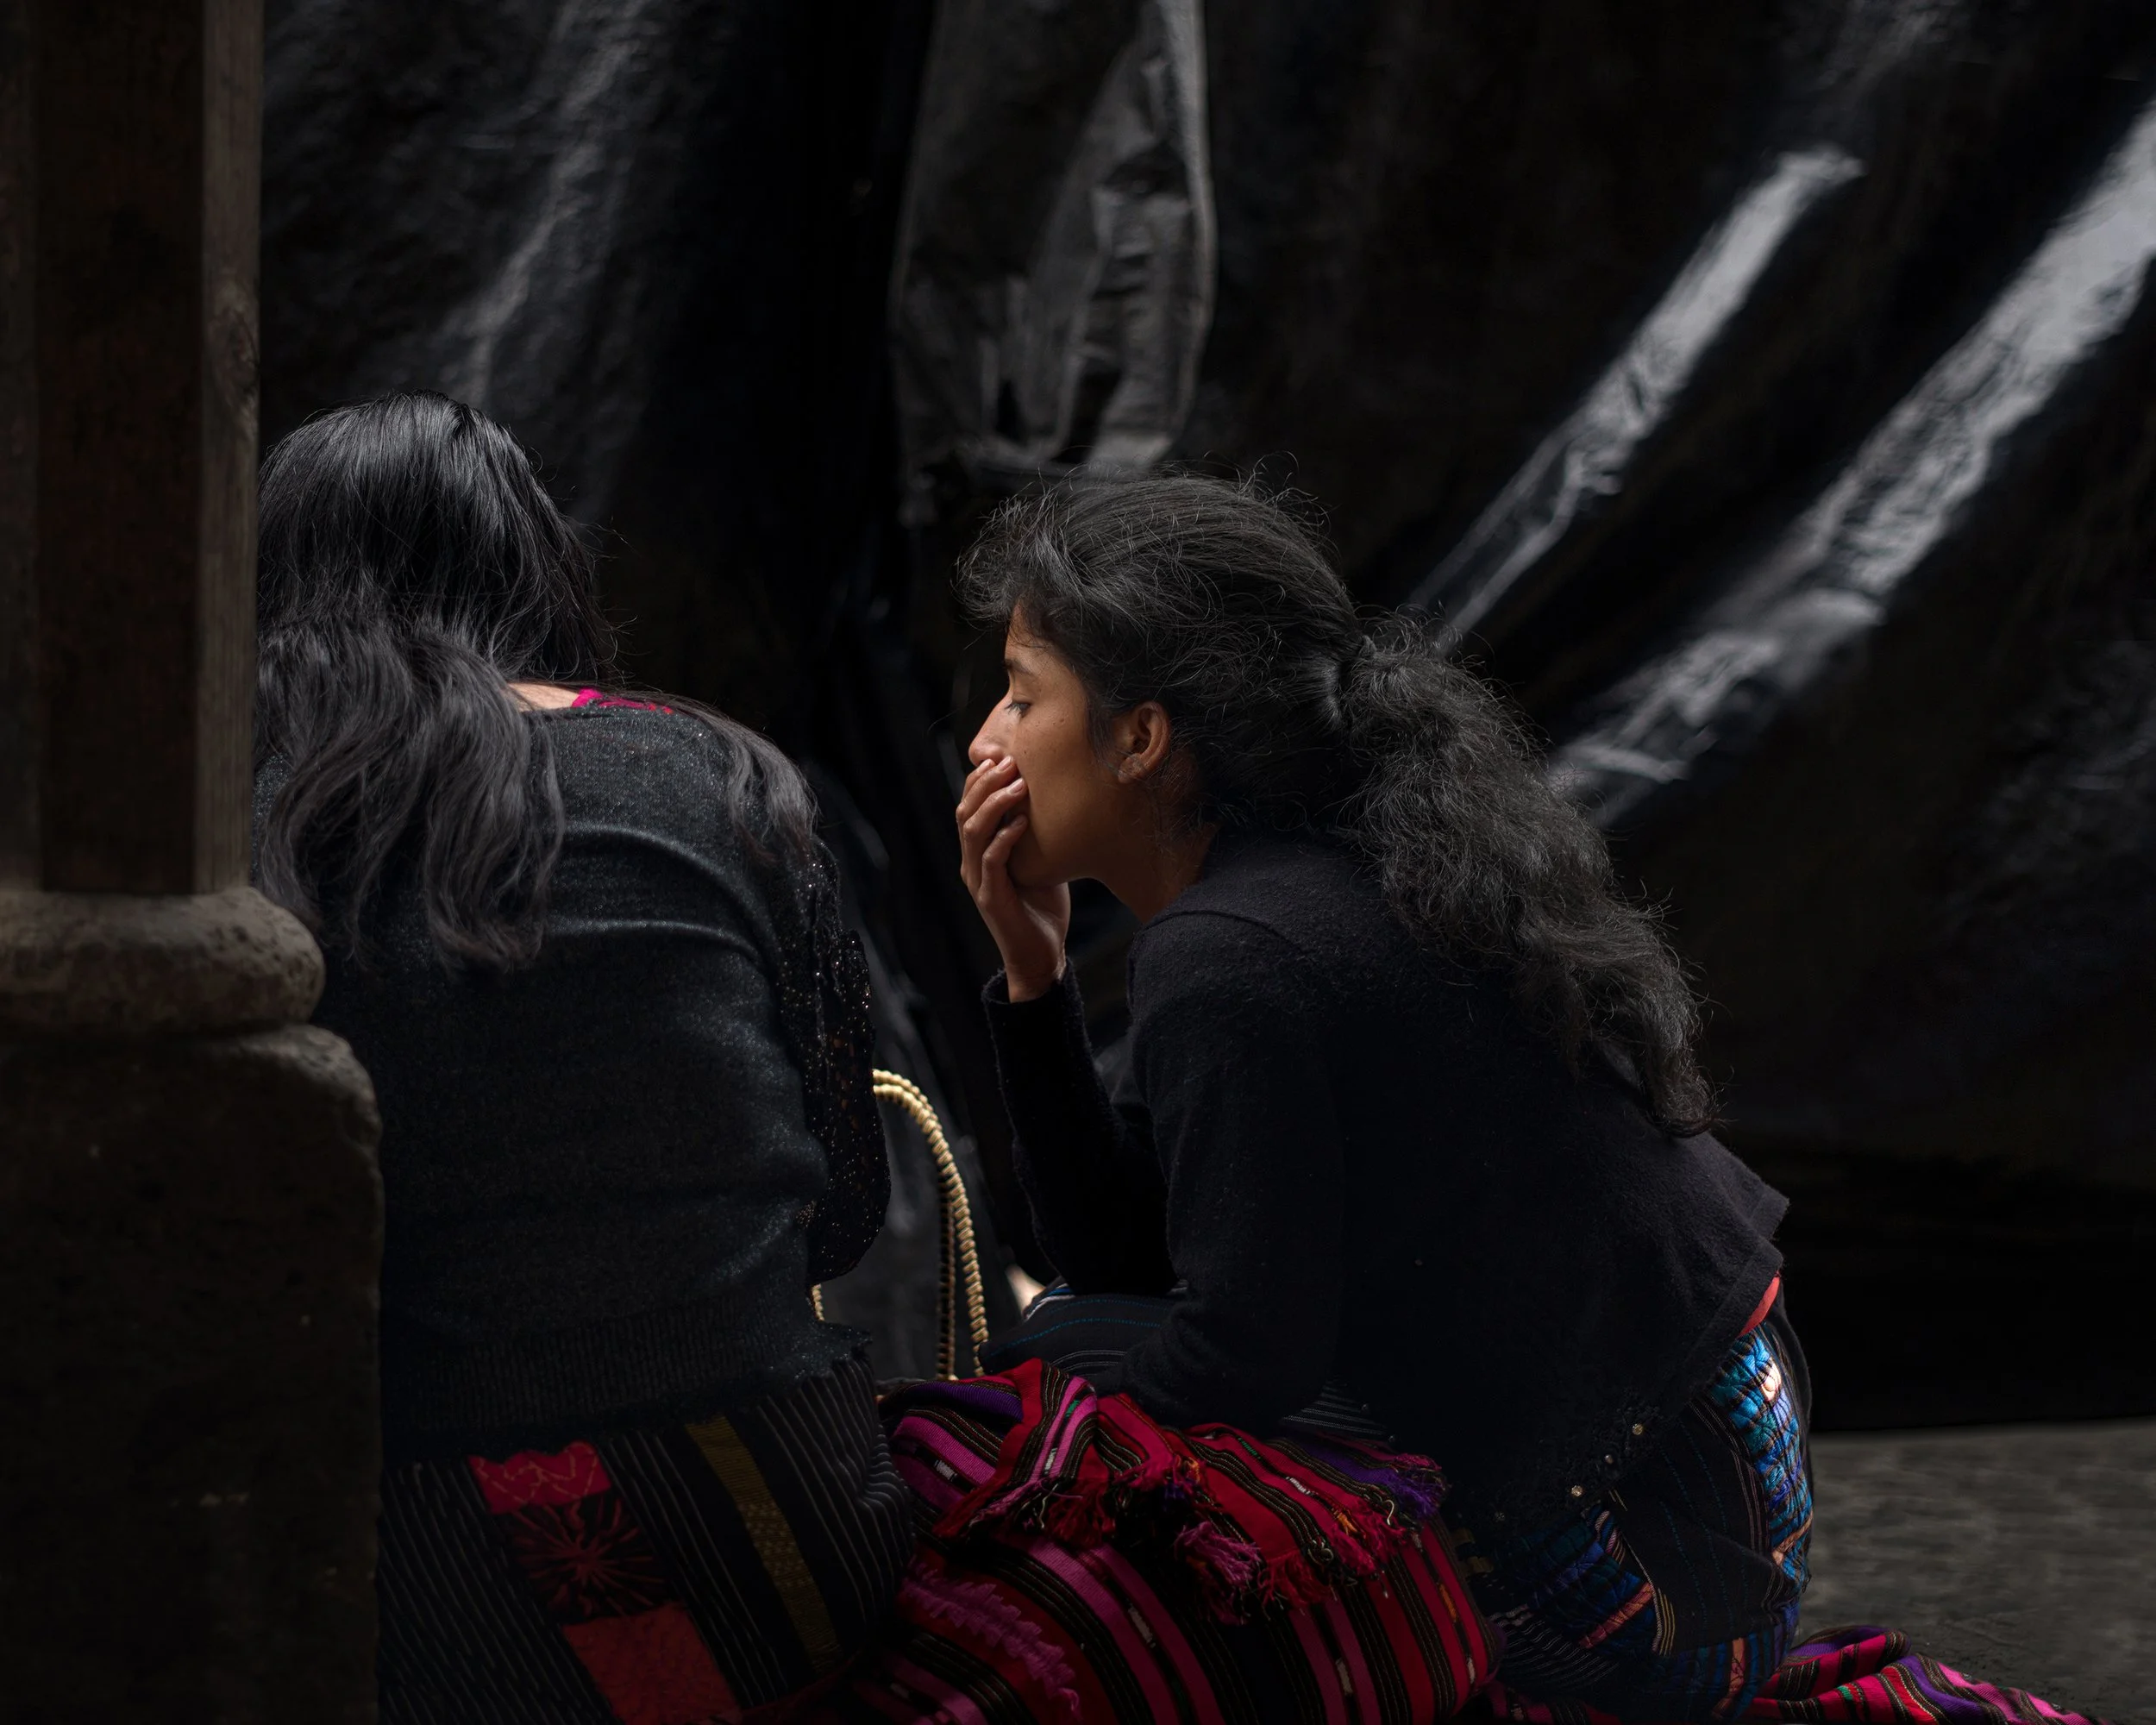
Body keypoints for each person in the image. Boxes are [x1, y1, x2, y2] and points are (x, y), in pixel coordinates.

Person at [950, 474, 1807, 1722]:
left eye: (1024, 696)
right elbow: (1123, 1253)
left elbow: (1244, 1351)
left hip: (1654, 1578)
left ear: (1139, 738)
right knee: (1077, 1341)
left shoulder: (1234, 953)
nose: (985, 739)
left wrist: (1017, 1408)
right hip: (1716, 1501)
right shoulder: (1312, 883)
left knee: (1031, 1403)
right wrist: (1033, 979)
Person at [251, 392, 910, 1723]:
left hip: (447, 1569)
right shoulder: (712, 773)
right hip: (789, 1525)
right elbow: (844, 1213)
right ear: (529, 561)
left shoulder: (246, 829)